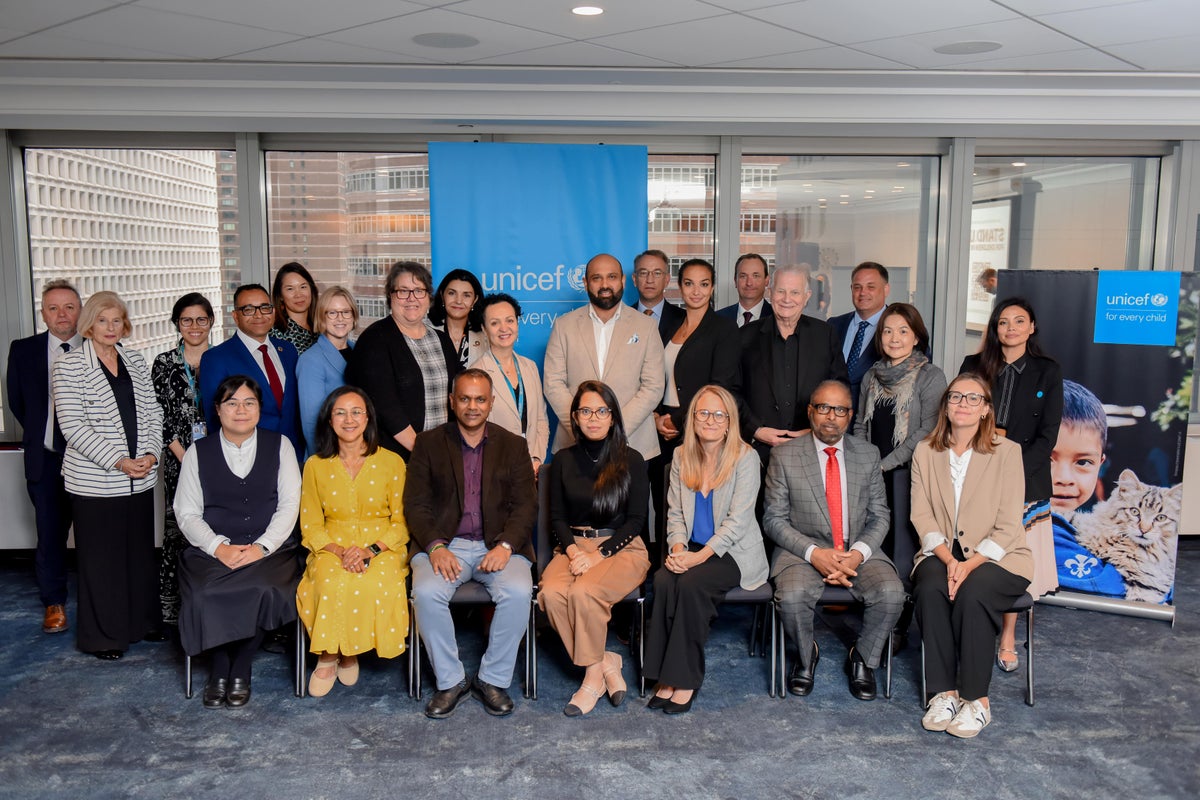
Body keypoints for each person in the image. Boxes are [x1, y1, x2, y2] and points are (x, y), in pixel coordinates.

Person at [403, 369, 536, 719]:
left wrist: (506, 545)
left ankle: (492, 678)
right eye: (464, 398)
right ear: (452, 401)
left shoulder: (514, 445)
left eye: (480, 399)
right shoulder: (429, 443)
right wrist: (434, 546)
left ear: (491, 403)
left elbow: (526, 505)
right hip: (446, 546)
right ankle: (450, 681)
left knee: (521, 592)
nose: (472, 406)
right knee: (428, 594)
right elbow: (416, 504)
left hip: (499, 546)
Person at [764, 380, 904, 701]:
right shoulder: (784, 456)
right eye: (824, 408)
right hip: (802, 551)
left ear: (850, 415)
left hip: (857, 550)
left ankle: (863, 658)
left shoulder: (868, 455)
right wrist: (815, 554)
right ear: (811, 411)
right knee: (792, 595)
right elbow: (773, 519)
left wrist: (856, 554)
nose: (831, 417)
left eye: (840, 410)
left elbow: (880, 516)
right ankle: (806, 655)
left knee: (892, 593)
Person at [910, 374, 1032, 738]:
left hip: (1001, 557)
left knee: (973, 591)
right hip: (942, 552)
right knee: (930, 587)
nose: (963, 403)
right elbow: (922, 515)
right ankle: (944, 694)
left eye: (973, 398)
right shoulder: (925, 451)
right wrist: (950, 562)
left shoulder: (1007, 452)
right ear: (946, 405)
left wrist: (969, 564)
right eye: (956, 396)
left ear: (986, 410)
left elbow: (1010, 523)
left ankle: (977, 701)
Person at [175, 375, 303, 708]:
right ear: (218, 410)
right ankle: (219, 668)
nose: (241, 410)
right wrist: (218, 546)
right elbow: (186, 512)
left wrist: (262, 546)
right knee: (205, 591)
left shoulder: (281, 445)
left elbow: (291, 503)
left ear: (260, 408)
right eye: (232, 403)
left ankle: (241, 668)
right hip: (212, 550)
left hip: (271, 550)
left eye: (249, 402)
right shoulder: (197, 452)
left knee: (263, 588)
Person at [643, 385, 768, 713]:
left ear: (729, 422)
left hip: (735, 552)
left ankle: (684, 679)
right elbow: (674, 514)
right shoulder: (681, 456)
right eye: (703, 413)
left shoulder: (746, 457)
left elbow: (738, 522)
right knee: (662, 580)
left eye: (718, 414)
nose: (710, 420)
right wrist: (678, 548)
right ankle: (663, 676)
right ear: (693, 419)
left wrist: (697, 558)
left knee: (691, 582)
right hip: (693, 547)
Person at [52, 291, 163, 659]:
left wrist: (150, 453)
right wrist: (118, 461)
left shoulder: (133, 358)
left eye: (117, 320)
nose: (111, 327)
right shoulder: (68, 365)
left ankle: (139, 624)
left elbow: (152, 412)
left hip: (140, 478)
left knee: (138, 556)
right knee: (102, 562)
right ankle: (103, 636)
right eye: (103, 320)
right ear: (89, 324)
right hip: (96, 482)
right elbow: (72, 425)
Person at [959, 297, 1061, 673]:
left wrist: (1012, 472)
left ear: (1032, 327)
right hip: (976, 474)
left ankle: (1006, 637)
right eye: (1003, 322)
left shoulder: (1047, 371)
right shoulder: (974, 366)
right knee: (978, 553)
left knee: (1013, 559)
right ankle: (971, 625)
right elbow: (959, 415)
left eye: (1019, 321)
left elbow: (1048, 435)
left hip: (1026, 479)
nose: (1011, 328)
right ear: (994, 328)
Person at [540, 381, 651, 716]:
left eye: (601, 411)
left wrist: (596, 556)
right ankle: (605, 660)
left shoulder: (632, 460)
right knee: (551, 592)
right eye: (585, 411)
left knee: (584, 592)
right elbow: (557, 517)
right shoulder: (562, 460)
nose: (593, 418)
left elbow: (636, 522)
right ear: (575, 416)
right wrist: (574, 552)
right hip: (574, 546)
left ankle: (591, 680)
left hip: (622, 548)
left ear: (612, 417)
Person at [298, 386, 409, 696]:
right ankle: (332, 654)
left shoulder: (392, 462)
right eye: (341, 412)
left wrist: (369, 551)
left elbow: (402, 524)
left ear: (368, 418)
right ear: (329, 420)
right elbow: (310, 523)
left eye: (356, 411)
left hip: (382, 544)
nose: (349, 419)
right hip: (332, 543)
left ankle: (348, 651)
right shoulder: (315, 465)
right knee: (330, 581)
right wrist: (340, 551)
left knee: (374, 582)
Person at [650, 258, 740, 563]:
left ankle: (697, 566)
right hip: (660, 427)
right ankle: (668, 566)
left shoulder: (723, 329)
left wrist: (676, 419)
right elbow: (654, 374)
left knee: (694, 503)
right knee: (666, 505)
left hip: (699, 429)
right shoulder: (670, 323)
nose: (696, 291)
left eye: (704, 284)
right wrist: (655, 416)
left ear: (712, 287)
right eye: (689, 283)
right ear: (679, 286)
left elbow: (720, 384)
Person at [6, 279, 82, 634]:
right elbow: (19, 406)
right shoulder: (23, 351)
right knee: (50, 535)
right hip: (47, 459)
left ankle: (102, 603)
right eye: (53, 308)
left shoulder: (99, 347)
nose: (61, 314)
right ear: (43, 313)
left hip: (91, 462)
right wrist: (47, 436)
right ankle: (54, 604)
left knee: (95, 536)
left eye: (68, 306)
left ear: (80, 311)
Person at [543, 252, 665, 460]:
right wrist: (582, 426)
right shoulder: (564, 326)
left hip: (632, 443)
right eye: (596, 278)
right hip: (575, 444)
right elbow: (553, 383)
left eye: (612, 277)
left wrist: (613, 427)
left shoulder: (646, 326)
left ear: (623, 280)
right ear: (585, 283)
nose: (605, 284)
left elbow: (653, 386)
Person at [734, 263, 849, 465]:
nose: (787, 299)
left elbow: (840, 389)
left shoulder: (825, 335)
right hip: (757, 452)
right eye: (781, 291)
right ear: (770, 293)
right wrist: (756, 430)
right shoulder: (744, 337)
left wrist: (817, 429)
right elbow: (731, 390)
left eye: (795, 292)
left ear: (807, 296)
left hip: (813, 449)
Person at [348, 261, 460, 460]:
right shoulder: (375, 339)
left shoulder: (442, 340)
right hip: (396, 458)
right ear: (390, 296)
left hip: (442, 453)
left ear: (428, 298)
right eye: (403, 291)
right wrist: (423, 452)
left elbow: (455, 396)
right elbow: (385, 407)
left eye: (419, 290)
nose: (411, 298)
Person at [152, 292, 215, 626]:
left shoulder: (221, 358)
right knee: (178, 528)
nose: (194, 326)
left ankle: (211, 603)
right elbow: (158, 414)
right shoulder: (164, 363)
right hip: (180, 460)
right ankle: (173, 613)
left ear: (211, 322)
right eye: (186, 320)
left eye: (201, 319)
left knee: (217, 523)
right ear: (177, 323)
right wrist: (186, 456)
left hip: (220, 459)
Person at [200, 284, 302, 456]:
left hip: (293, 454)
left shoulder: (288, 351)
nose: (259, 315)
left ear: (273, 311)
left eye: (265, 308)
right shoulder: (216, 358)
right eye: (248, 309)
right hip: (246, 457)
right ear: (235, 316)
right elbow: (214, 417)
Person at [1050, 381, 1126, 596]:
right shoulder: (1045, 528)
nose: (1064, 479)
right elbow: (1111, 587)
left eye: (1083, 462)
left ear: (1100, 464)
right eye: (1045, 459)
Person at [475, 293, 550, 473]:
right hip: (494, 469)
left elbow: (541, 419)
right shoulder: (476, 374)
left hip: (531, 467)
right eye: (494, 323)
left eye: (509, 320)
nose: (504, 328)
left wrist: (536, 458)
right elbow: (474, 430)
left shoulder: (529, 367)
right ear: (484, 330)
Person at [297, 286, 358, 459]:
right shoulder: (310, 360)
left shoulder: (360, 351)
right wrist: (324, 460)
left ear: (353, 316)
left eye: (346, 312)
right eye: (332, 313)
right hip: (329, 454)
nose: (340, 318)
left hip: (360, 450)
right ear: (322, 317)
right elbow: (311, 422)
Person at [829, 262, 891, 411]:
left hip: (875, 423)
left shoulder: (901, 330)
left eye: (871, 287)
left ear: (886, 289)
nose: (863, 293)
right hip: (834, 419)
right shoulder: (833, 325)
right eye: (857, 287)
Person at [429, 268, 487, 367]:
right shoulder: (426, 330)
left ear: (475, 300)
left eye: (466, 295)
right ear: (442, 295)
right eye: (452, 293)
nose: (458, 301)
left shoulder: (485, 335)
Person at [630, 248, 685, 342]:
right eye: (643, 273)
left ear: (667, 280)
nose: (650, 280)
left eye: (657, 273)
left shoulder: (684, 319)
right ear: (635, 279)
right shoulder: (621, 318)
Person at [271, 261, 319, 354]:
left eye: (303, 287)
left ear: (311, 289)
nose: (298, 295)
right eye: (290, 289)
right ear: (280, 295)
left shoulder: (324, 326)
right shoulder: (275, 333)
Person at [717, 253, 773, 327]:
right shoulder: (717, 319)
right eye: (743, 276)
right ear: (735, 281)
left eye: (756, 276)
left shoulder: (777, 318)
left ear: (766, 280)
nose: (749, 283)